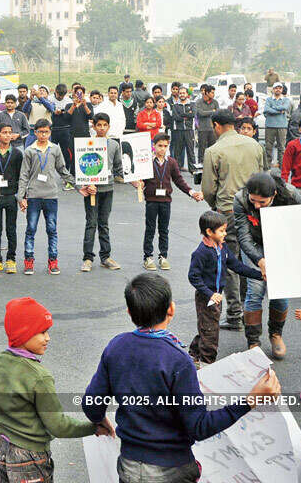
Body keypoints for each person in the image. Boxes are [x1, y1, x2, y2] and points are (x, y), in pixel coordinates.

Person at [82, 274, 281, 483]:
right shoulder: (178, 361)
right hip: (172, 470)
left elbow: (91, 404)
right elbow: (199, 427)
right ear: (171, 309)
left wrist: (100, 420)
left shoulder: (116, 347)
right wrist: (250, 401)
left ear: (130, 312)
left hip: (129, 467)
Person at [0, 297, 101, 483]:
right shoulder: (39, 377)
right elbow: (59, 426)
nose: (48, 338)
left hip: (0, 451)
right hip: (29, 459)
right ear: (23, 334)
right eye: (42, 332)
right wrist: (94, 428)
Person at [202, 110, 267, 332]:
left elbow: (208, 188)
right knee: (253, 255)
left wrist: (215, 206)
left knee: (229, 261)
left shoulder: (213, 150)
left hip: (227, 209)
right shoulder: (254, 145)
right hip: (254, 208)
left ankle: (235, 314)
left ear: (217, 125)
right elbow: (264, 176)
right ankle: (251, 308)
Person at [233, 171, 301, 356]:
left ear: (273, 195)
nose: (256, 206)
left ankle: (276, 334)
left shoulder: (290, 194)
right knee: (255, 289)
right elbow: (244, 236)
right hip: (254, 245)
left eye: (262, 202)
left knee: (280, 290)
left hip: (281, 244)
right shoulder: (240, 199)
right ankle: (253, 341)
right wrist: (260, 260)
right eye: (253, 200)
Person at [188, 211, 262, 367]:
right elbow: (193, 277)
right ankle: (208, 365)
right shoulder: (201, 253)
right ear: (209, 232)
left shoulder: (222, 248)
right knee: (211, 334)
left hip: (216, 296)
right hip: (206, 297)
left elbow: (237, 266)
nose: (225, 233)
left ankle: (193, 355)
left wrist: (260, 275)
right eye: (221, 230)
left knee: (207, 328)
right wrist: (209, 294)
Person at [17, 119, 74, 275]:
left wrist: (77, 185)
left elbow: (62, 170)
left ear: (50, 132)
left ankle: (53, 261)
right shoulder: (29, 150)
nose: (43, 135)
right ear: (35, 133)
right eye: (40, 132)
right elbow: (24, 175)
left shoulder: (55, 149)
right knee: (31, 229)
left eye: (46, 132)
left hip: (51, 195)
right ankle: (29, 261)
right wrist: (21, 197)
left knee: (52, 230)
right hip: (34, 195)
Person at [139, 133, 203, 271]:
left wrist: (191, 193)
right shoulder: (147, 162)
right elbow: (140, 179)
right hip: (151, 200)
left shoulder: (172, 162)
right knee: (150, 228)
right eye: (159, 146)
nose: (162, 149)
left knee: (164, 229)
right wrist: (137, 183)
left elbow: (179, 181)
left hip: (165, 201)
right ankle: (148, 257)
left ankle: (163, 256)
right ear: (153, 146)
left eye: (165, 146)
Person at [80, 113, 127, 272]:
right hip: (92, 191)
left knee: (104, 224)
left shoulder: (114, 145)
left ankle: (105, 257)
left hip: (108, 189)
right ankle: (87, 258)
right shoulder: (87, 143)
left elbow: (119, 168)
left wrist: (135, 181)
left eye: (104, 125)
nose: (101, 128)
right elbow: (81, 167)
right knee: (91, 223)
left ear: (108, 126)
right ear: (93, 126)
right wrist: (87, 184)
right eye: (98, 125)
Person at [0, 123, 23, 274]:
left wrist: (21, 196)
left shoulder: (17, 154)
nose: (7, 135)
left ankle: (11, 259)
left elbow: (21, 176)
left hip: (11, 196)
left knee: (11, 228)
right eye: (4, 133)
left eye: (10, 133)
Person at [49, 83, 75, 180]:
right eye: (59, 95)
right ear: (55, 92)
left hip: (65, 130)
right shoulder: (50, 99)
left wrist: (63, 112)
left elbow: (70, 115)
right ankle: (49, 173)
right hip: (53, 130)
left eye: (62, 96)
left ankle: (67, 174)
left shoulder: (68, 100)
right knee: (50, 153)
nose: (60, 97)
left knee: (67, 153)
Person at [264, 82, 292, 167]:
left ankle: (282, 167)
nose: (278, 89)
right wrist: (279, 111)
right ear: (273, 89)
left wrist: (272, 108)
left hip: (282, 126)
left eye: (280, 88)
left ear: (282, 89)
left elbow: (285, 107)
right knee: (268, 148)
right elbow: (266, 109)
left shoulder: (286, 100)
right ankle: (267, 166)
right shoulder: (268, 99)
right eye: (276, 88)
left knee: (282, 148)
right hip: (270, 126)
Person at [170, 87, 197, 172]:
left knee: (191, 151)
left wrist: (182, 115)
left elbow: (193, 114)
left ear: (187, 94)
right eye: (180, 93)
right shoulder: (175, 105)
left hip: (189, 130)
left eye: (183, 93)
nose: (182, 95)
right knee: (178, 151)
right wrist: (186, 116)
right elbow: (176, 117)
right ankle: (176, 170)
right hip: (179, 130)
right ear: (178, 94)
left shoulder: (192, 104)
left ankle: (193, 169)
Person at [195, 84, 219, 162]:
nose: (213, 94)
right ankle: (200, 166)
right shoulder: (199, 102)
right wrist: (212, 111)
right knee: (201, 150)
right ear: (207, 93)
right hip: (202, 129)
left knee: (213, 149)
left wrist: (209, 112)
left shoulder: (215, 102)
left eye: (214, 92)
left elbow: (217, 113)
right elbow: (200, 113)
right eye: (212, 93)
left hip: (212, 129)